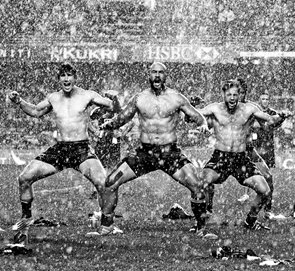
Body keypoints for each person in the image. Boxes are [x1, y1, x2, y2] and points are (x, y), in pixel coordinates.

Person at [8, 62, 121, 241]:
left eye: (69, 75)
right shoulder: (53, 98)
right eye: (63, 76)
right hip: (60, 149)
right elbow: (36, 111)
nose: (66, 79)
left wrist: (115, 99)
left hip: (81, 149)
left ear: (75, 78)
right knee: (24, 178)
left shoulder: (87, 95)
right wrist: (19, 101)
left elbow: (113, 107)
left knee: (103, 184)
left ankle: (107, 224)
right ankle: (26, 217)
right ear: (59, 79)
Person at [100, 62, 212, 237]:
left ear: (165, 76)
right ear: (149, 75)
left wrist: (204, 124)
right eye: (154, 72)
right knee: (111, 181)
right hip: (144, 153)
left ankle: (201, 228)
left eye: (161, 72)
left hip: (170, 153)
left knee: (197, 185)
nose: (157, 76)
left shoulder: (176, 97)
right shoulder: (139, 98)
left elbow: (197, 116)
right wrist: (109, 124)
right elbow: (123, 117)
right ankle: (106, 226)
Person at [197, 79, 288, 231]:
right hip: (221, 157)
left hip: (241, 158)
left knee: (265, 190)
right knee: (202, 183)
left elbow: (270, 122)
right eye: (229, 95)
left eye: (235, 95)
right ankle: (202, 220)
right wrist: (201, 124)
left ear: (240, 95)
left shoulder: (249, 109)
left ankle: (250, 220)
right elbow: (194, 115)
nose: (232, 98)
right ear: (223, 95)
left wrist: (281, 117)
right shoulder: (215, 108)